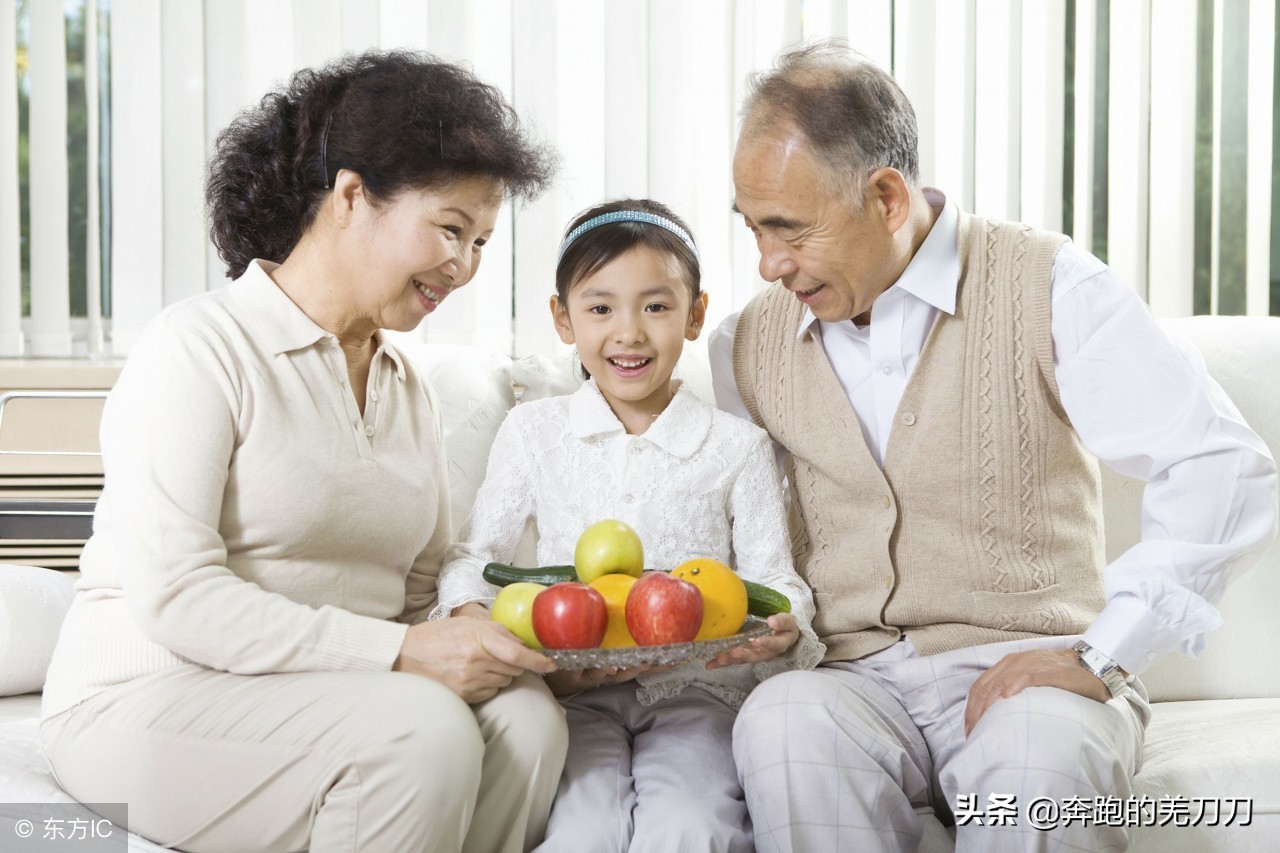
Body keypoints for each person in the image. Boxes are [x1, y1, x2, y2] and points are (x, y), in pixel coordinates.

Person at [710, 41, 1279, 852]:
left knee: (1036, 756)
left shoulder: (1048, 284)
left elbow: (1223, 464)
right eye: (753, 229)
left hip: (1032, 666)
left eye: (789, 229)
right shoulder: (746, 345)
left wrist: (1102, 654)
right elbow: (749, 541)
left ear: (885, 196)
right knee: (780, 721)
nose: (769, 264)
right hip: (852, 682)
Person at [41, 50, 569, 853]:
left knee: (528, 720)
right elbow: (179, 596)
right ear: (352, 195)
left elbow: (421, 586)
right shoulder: (198, 348)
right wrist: (398, 652)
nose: (463, 267)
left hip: (327, 692)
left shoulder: (406, 386)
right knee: (420, 731)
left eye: (483, 242)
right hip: (147, 694)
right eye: (452, 229)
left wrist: (485, 633)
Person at [434, 198, 825, 852]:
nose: (629, 333)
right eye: (599, 307)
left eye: (656, 305)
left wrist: (789, 623)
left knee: (692, 827)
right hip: (571, 693)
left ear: (695, 314)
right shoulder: (534, 432)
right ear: (563, 319)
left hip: (698, 694)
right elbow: (477, 556)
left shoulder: (736, 445)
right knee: (582, 831)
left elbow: (773, 576)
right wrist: (471, 612)